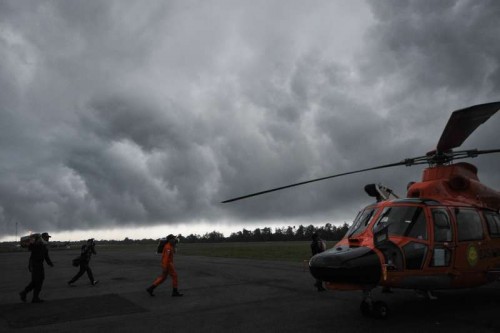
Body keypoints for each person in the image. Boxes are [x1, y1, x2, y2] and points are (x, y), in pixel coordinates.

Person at [19, 232, 54, 303]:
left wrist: (50, 263)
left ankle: (25, 293)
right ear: (42, 238)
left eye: (48, 237)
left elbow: (46, 257)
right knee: (37, 281)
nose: (48, 239)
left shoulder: (44, 247)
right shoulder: (37, 245)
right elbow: (30, 247)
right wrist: (33, 241)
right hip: (34, 265)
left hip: (40, 265)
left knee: (37, 281)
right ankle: (33, 297)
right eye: (47, 237)